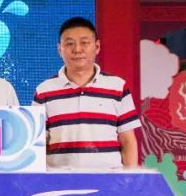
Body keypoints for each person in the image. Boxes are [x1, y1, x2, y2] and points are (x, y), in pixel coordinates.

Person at [33, 16, 140, 169]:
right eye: (69, 44)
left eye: (84, 42)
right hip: (60, 180)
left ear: (97, 47)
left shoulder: (118, 87)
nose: (77, 49)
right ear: (59, 49)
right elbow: (38, 145)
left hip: (109, 179)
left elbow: (127, 140)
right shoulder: (44, 91)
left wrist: (131, 179)